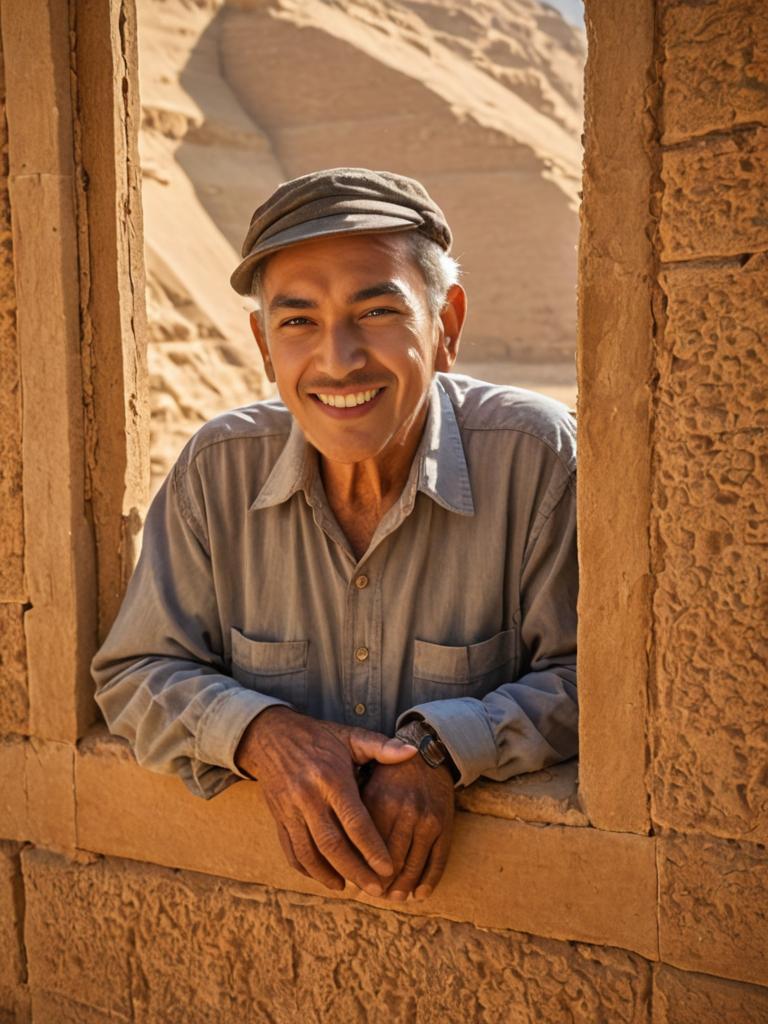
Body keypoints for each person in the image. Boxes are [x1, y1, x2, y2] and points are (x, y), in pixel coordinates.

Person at [92, 167, 578, 904]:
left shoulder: (535, 459)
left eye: (376, 312)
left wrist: (441, 748)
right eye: (297, 322)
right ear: (263, 343)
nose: (338, 359)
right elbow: (135, 674)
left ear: (445, 325)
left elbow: (594, 680)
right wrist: (261, 735)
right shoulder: (217, 471)